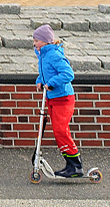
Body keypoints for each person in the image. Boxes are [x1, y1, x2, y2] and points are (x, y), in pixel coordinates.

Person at [33, 24, 83, 177]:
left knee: (61, 130)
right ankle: (70, 164)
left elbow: (68, 74)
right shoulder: (42, 55)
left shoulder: (54, 54)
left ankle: (75, 165)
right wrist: (40, 81)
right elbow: (44, 73)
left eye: (36, 40)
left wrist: (52, 83)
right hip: (52, 98)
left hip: (63, 98)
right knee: (57, 130)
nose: (34, 43)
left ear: (45, 41)